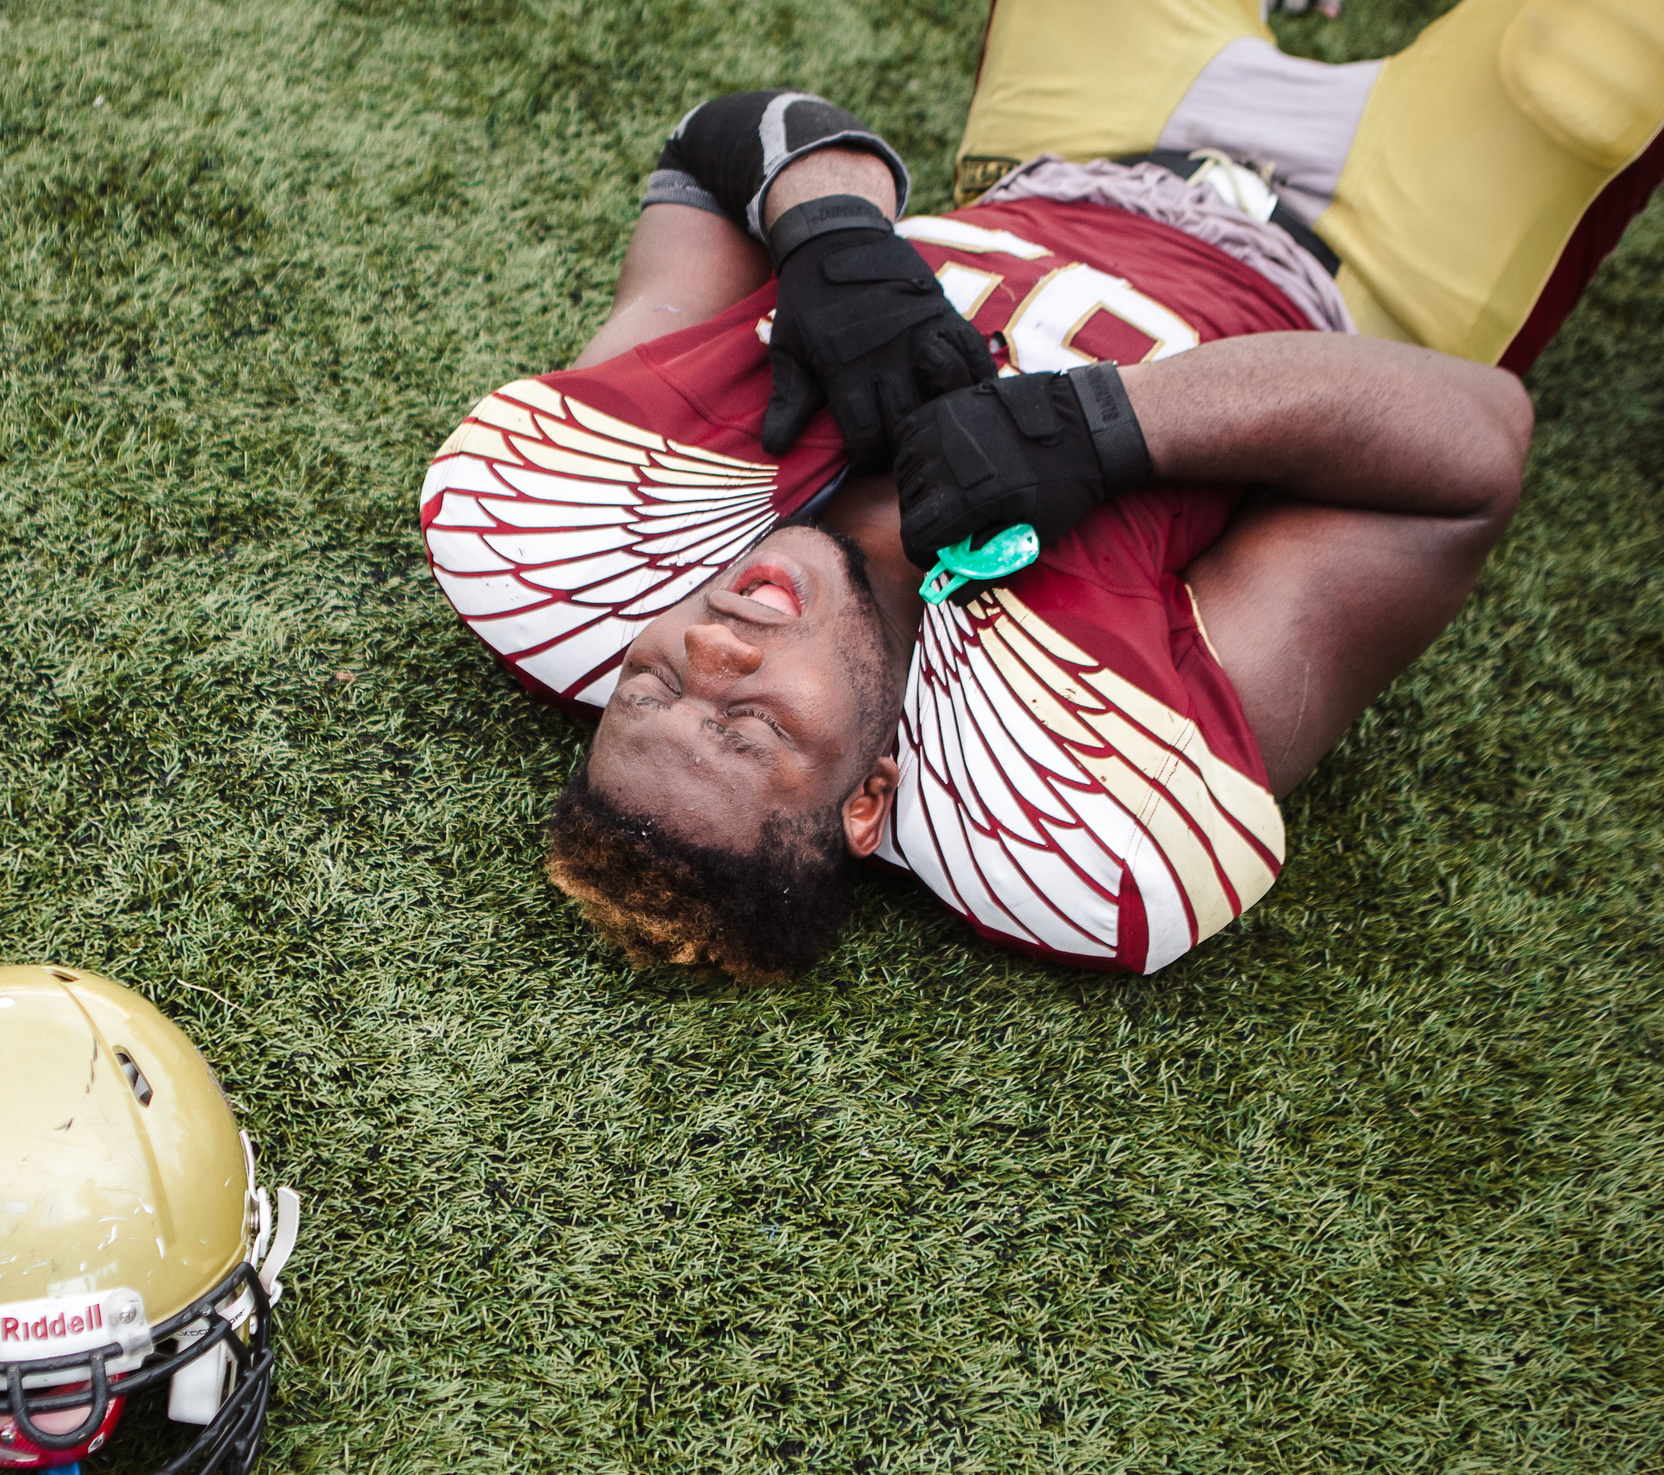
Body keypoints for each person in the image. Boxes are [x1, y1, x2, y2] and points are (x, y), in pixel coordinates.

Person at [420, 0, 1661, 978]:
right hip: (1377, 253)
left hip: (1069, 142)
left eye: (649, 687)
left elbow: (715, 144)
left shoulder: (590, 536)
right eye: (748, 729)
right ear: (870, 802)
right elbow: (1470, 443)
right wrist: (1110, 422)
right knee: (1588, 56)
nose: (708, 655)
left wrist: (833, 241)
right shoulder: (1074, 765)